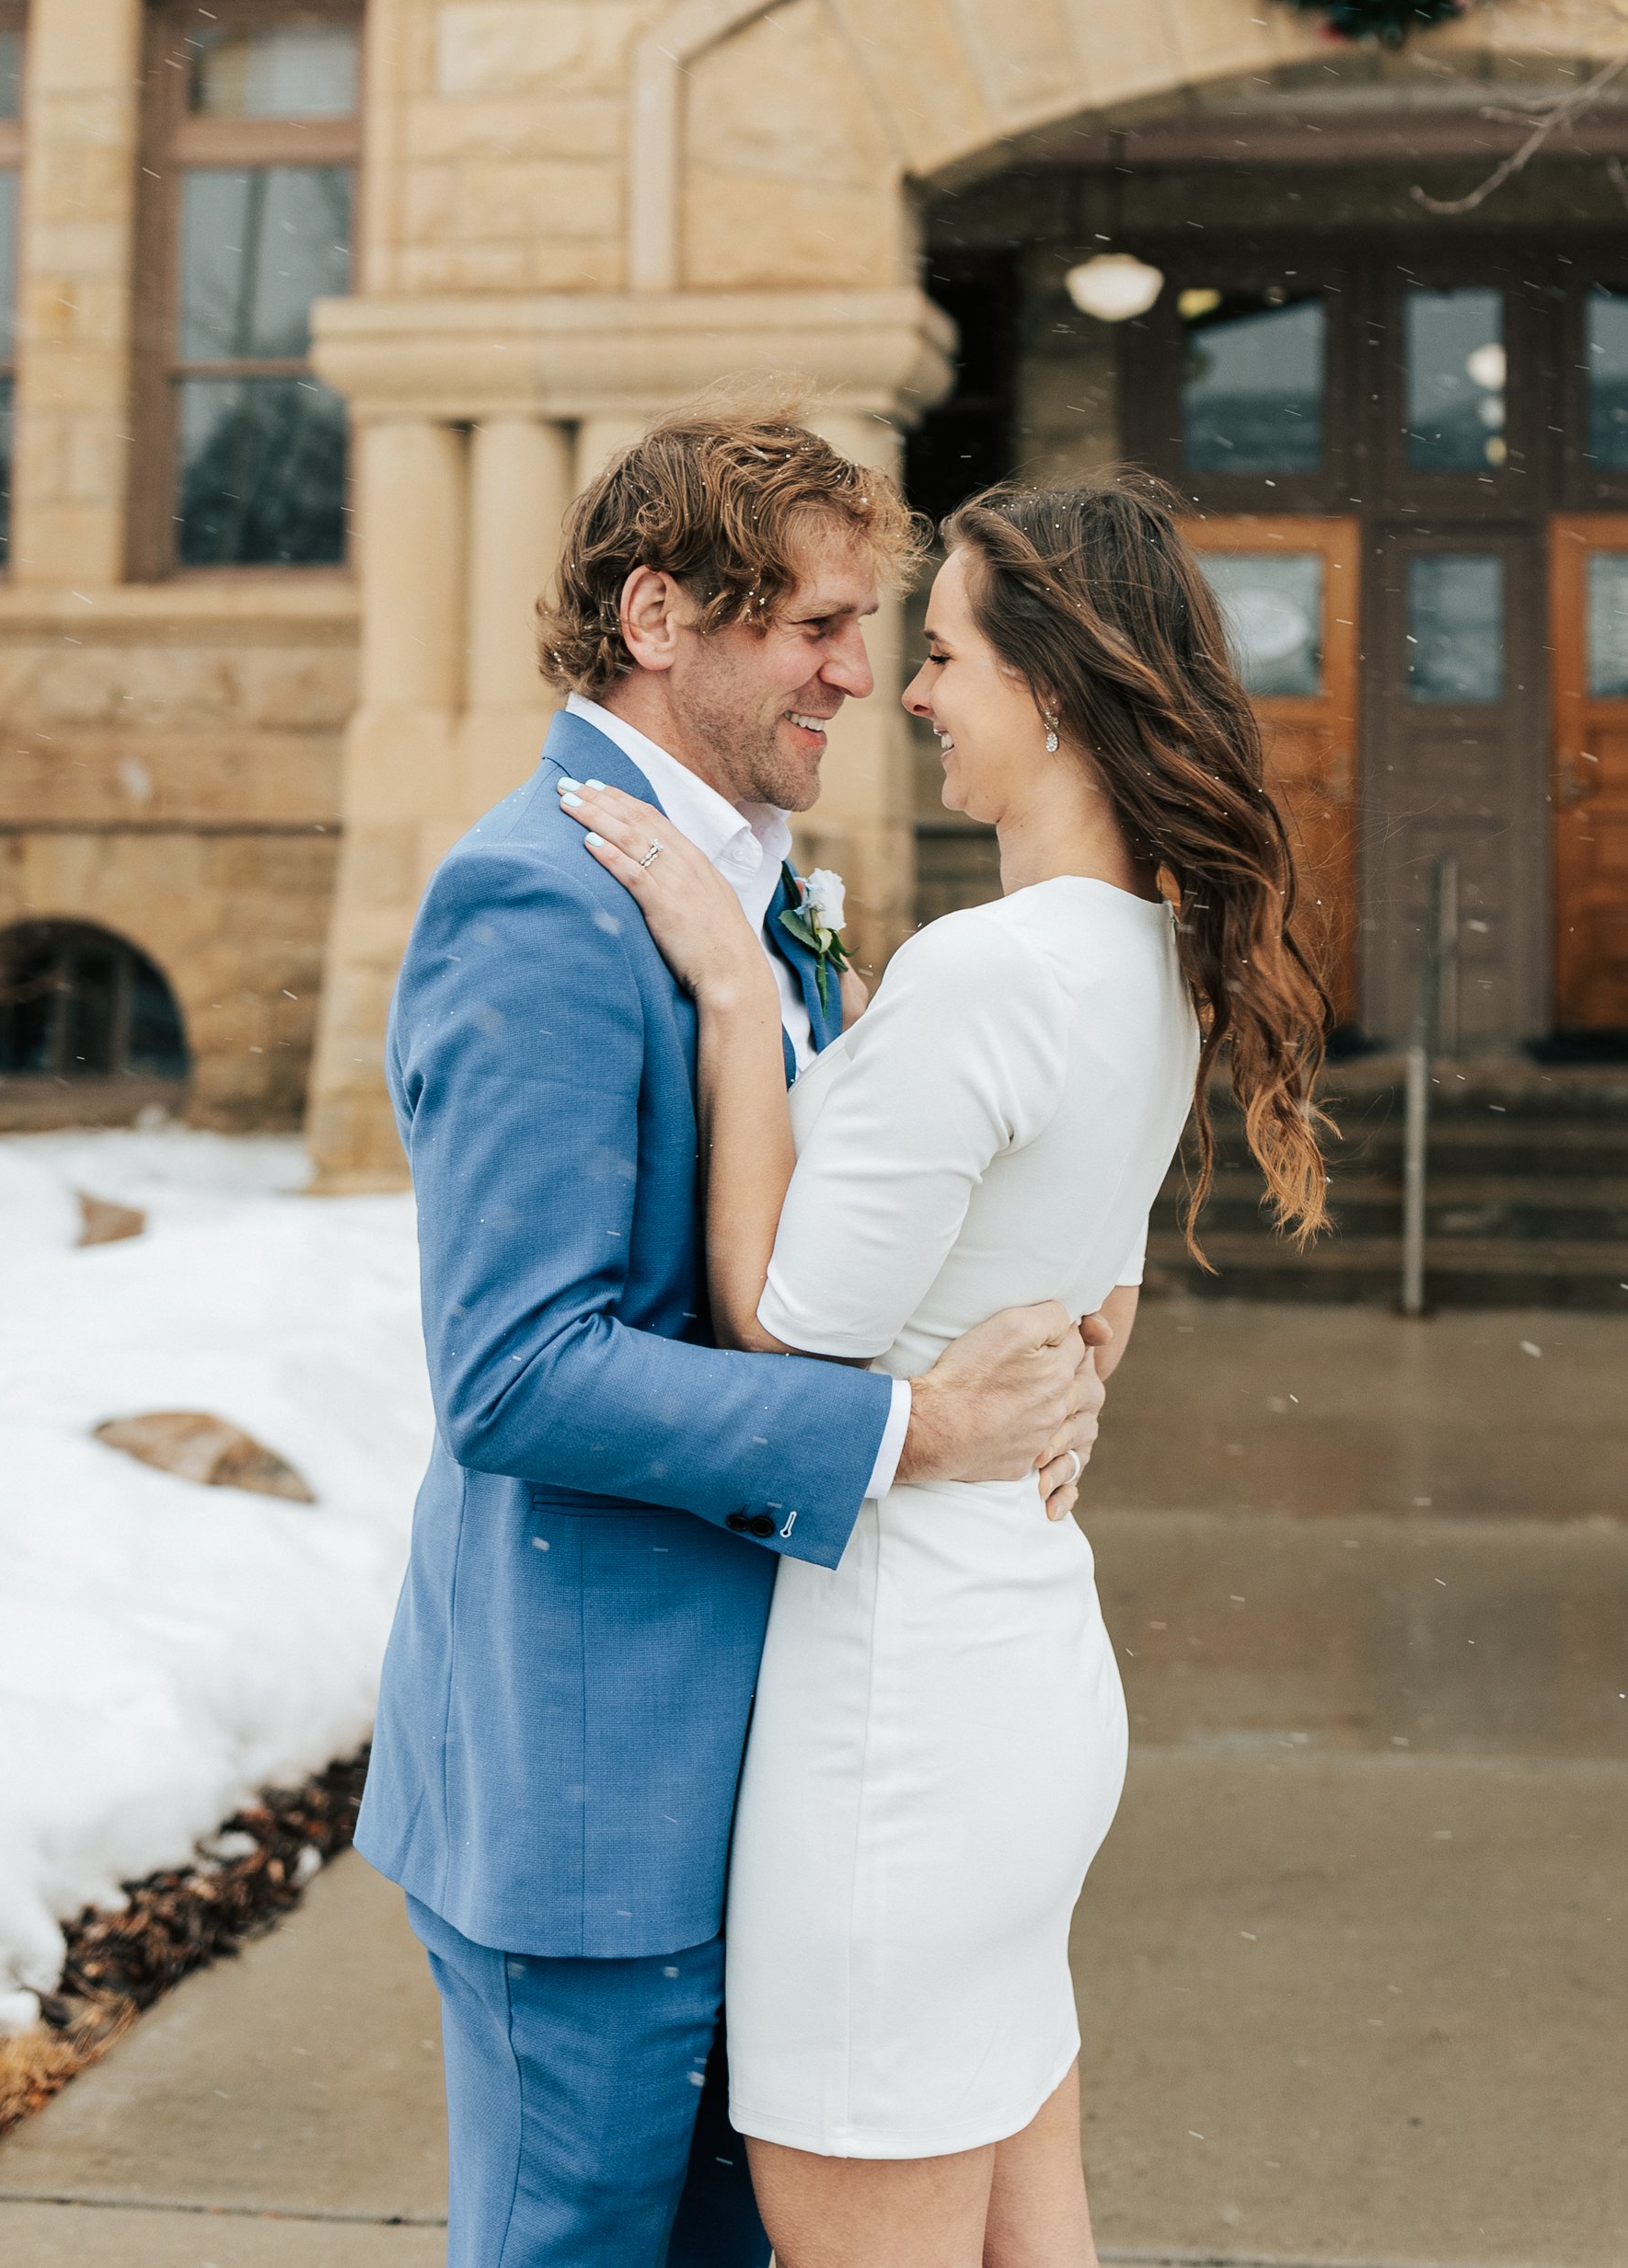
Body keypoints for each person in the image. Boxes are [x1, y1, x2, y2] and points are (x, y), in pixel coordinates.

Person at [356, 416, 1111, 2268]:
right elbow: (516, 1372)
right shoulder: (533, 899)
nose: (860, 670)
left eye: (871, 627)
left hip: (769, 1786)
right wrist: (904, 1431)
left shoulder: (753, 893)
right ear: (655, 614)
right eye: (816, 625)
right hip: (594, 1798)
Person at [560, 477, 1331, 2268]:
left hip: (894, 1720)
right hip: (1023, 1674)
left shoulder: (988, 974)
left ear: (1050, 689)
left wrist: (746, 1011)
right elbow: (1098, 1307)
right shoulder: (1155, 963)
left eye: (939, 654)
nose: (907, 694)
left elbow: (794, 1330)